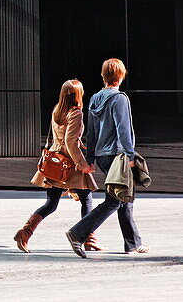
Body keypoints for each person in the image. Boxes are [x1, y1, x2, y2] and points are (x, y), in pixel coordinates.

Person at [66, 59, 147, 257]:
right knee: (114, 200)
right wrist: (130, 155)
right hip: (118, 155)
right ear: (121, 75)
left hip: (102, 155)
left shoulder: (95, 98)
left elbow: (92, 131)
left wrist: (91, 155)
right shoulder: (120, 98)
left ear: (104, 75)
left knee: (125, 197)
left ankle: (132, 243)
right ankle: (77, 233)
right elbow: (123, 129)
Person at [13, 79, 100, 252]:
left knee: (51, 203)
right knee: (86, 197)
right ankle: (88, 238)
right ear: (77, 94)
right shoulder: (76, 113)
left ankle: (25, 232)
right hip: (70, 163)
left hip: (55, 161)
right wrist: (82, 164)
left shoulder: (57, 110)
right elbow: (70, 142)